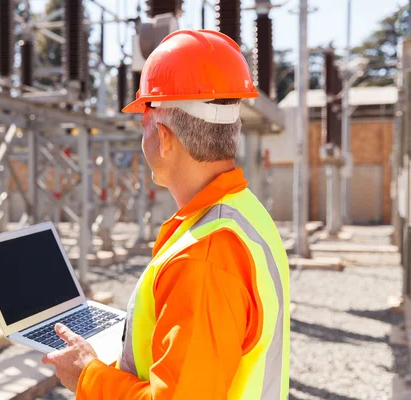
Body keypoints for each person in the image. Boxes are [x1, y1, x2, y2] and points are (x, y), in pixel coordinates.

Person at [42, 29, 290, 399]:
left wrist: (87, 376)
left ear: (164, 137)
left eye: (143, 125)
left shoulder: (204, 256)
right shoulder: (242, 212)